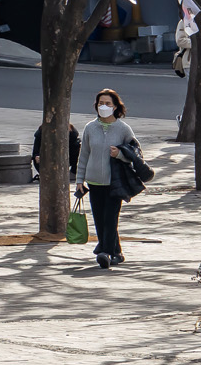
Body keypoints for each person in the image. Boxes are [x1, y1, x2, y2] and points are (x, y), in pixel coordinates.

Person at [76, 88, 138, 269]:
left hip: (115, 182)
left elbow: (136, 153)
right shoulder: (90, 128)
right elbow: (84, 155)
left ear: (116, 106)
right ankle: (116, 252)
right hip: (94, 182)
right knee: (99, 218)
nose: (104, 106)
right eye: (100, 103)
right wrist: (80, 179)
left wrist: (120, 154)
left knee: (110, 218)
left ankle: (105, 251)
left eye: (108, 103)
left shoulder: (123, 129)